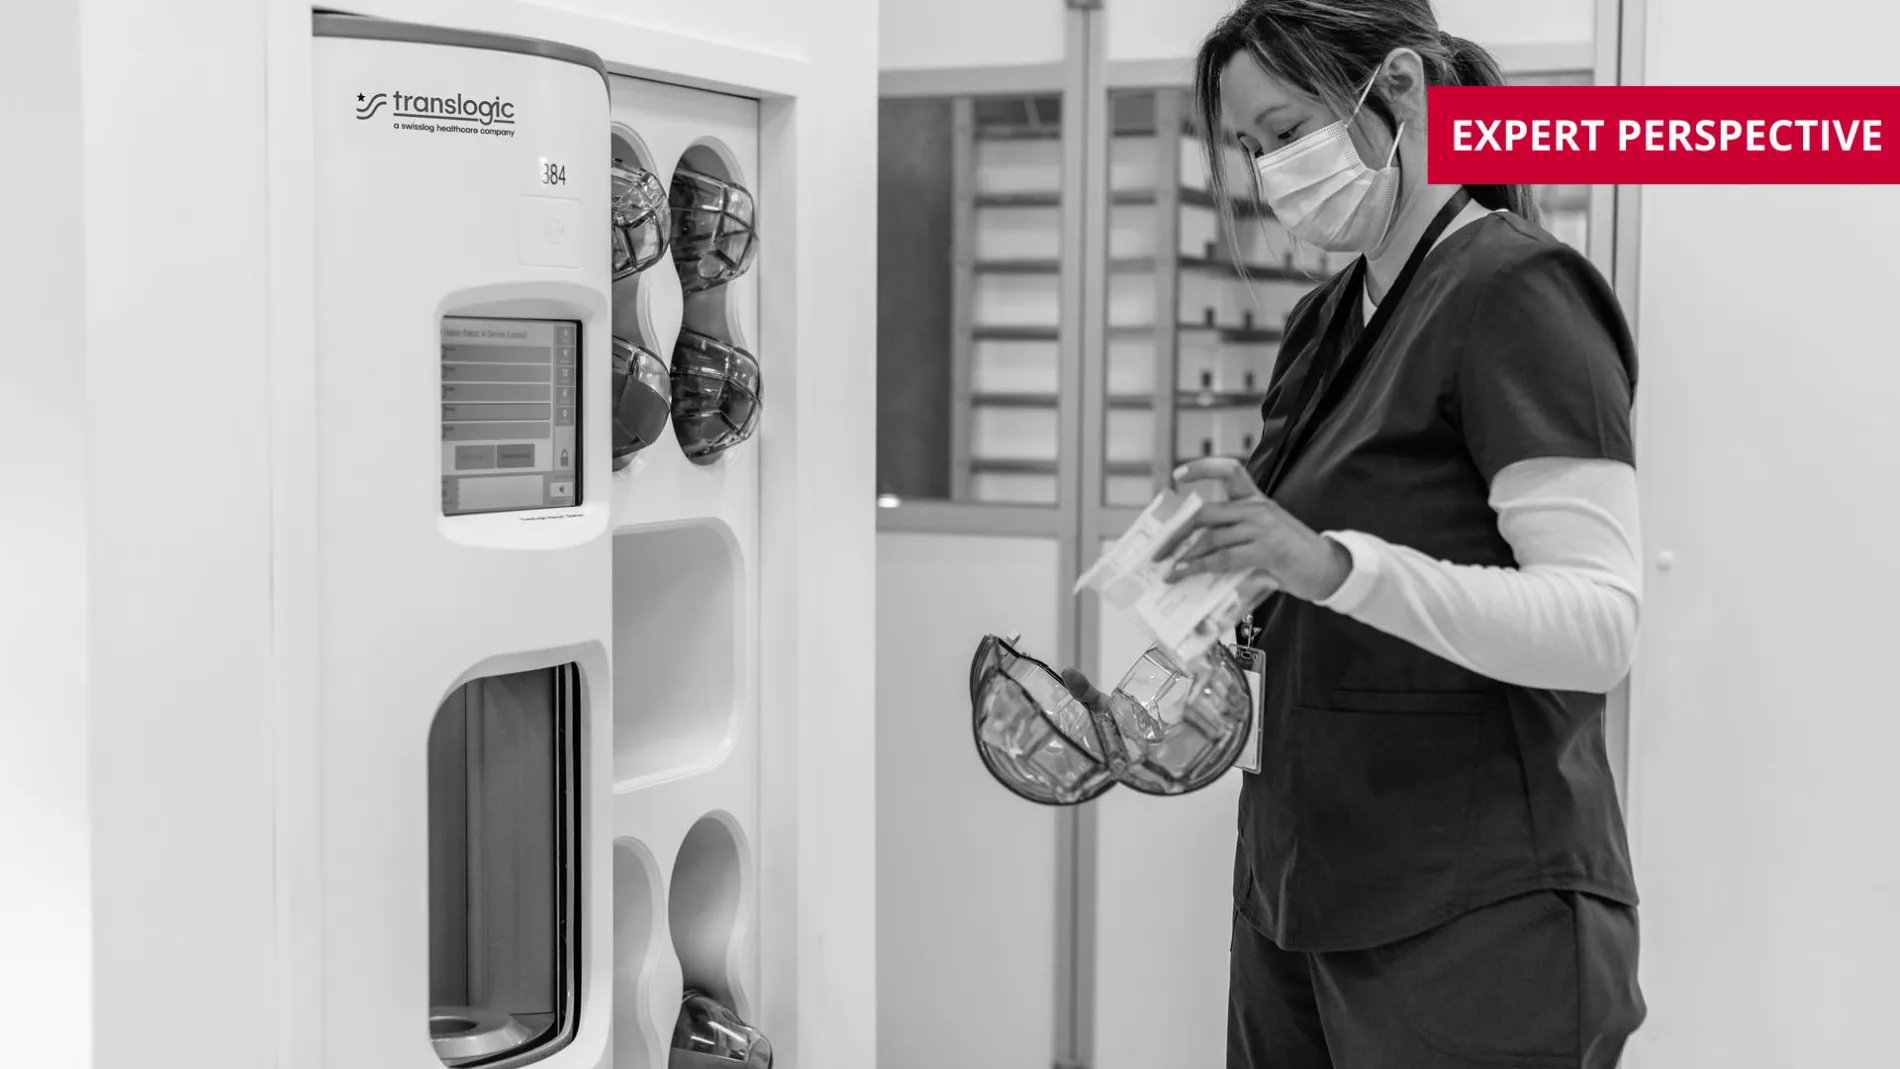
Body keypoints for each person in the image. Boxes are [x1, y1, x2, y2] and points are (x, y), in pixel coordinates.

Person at [1059, 1, 1647, 1065]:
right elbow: (1295, 583)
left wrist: (1327, 562)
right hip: (1303, 884)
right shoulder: (1325, 322)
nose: (1267, 172)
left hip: (1472, 913)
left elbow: (1597, 626)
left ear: (1401, 89)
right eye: (1249, 149)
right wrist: (1172, 667)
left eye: (1285, 133)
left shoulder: (1516, 292)